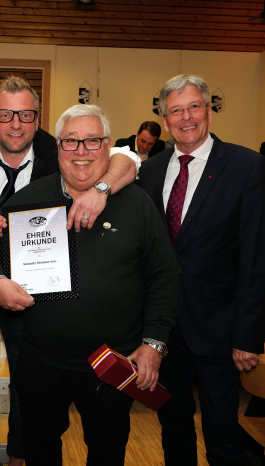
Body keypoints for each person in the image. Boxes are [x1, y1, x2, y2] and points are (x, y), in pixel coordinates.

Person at [0, 103, 180, 466]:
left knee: (107, 452)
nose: (81, 152)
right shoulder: (29, 201)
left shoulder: (137, 204)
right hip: (41, 360)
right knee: (39, 450)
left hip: (113, 361)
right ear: (57, 147)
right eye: (70, 142)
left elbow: (164, 275)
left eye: (92, 141)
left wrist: (154, 343)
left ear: (108, 145)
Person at [0, 76, 140, 465]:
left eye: (25, 115)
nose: (15, 124)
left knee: (27, 387)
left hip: (37, 297)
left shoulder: (63, 151)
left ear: (37, 120)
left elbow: (126, 158)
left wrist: (100, 191)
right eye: (5, 114)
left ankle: (21, 453)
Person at [139, 74, 265, 466]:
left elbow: (257, 256)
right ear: (164, 116)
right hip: (164, 331)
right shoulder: (150, 171)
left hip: (221, 330)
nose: (186, 117)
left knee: (222, 433)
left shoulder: (247, 166)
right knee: (173, 431)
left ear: (209, 111)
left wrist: (249, 335)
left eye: (194, 106)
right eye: (175, 110)